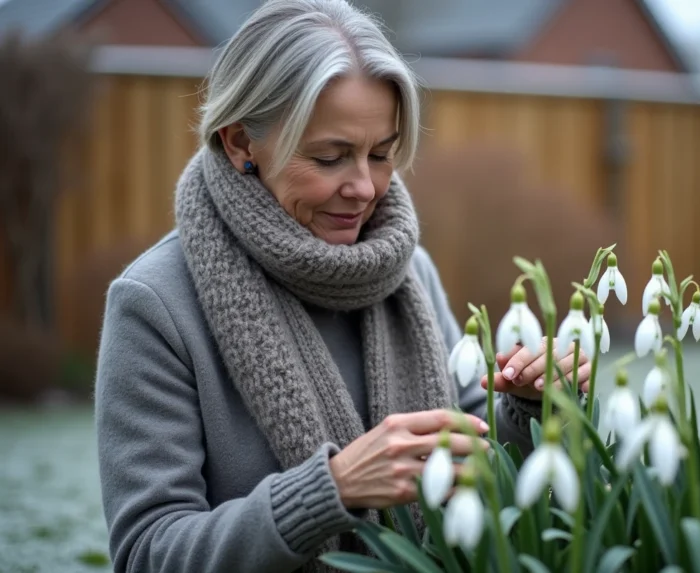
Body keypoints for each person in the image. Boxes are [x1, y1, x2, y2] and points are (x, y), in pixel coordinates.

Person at [93, 1, 591, 571]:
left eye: (381, 154)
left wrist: (530, 407)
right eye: (330, 157)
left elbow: (478, 464)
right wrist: (329, 489)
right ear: (240, 143)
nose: (365, 187)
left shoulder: (408, 272)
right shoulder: (156, 304)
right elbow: (147, 552)